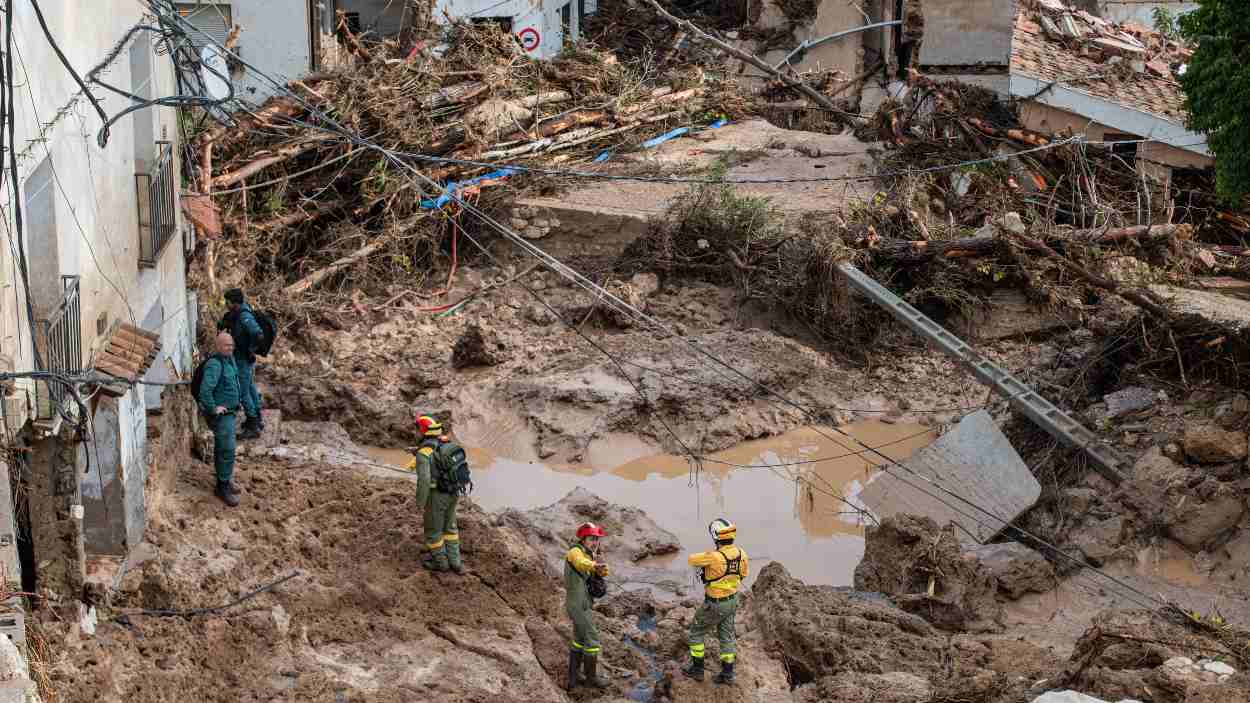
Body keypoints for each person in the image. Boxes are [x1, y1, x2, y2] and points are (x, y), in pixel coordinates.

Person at [682, 518, 748, 685]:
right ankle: (728, 674)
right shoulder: (742, 553)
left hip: (715, 603)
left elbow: (691, 560)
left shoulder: (713, 557)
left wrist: (710, 558)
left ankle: (697, 670)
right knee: (726, 636)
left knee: (696, 633)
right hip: (733, 600)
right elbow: (743, 575)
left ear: (715, 537)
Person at [409, 414, 468, 574]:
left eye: (416, 430)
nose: (415, 433)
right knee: (450, 527)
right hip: (453, 492)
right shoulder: (445, 443)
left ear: (423, 432)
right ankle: (456, 562)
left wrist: (420, 503)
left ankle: (441, 563)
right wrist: (418, 452)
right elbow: (436, 458)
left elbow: (424, 480)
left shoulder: (424, 453)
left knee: (433, 530)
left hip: (437, 496)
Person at [197, 332, 242, 507]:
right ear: (218, 346)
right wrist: (214, 408)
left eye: (231, 345)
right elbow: (205, 391)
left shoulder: (229, 360)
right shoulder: (214, 365)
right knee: (227, 449)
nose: (230, 348)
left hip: (230, 412)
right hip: (221, 416)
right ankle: (222, 487)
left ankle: (225, 479)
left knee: (224, 449)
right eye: (226, 345)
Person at [565, 522, 610, 690]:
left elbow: (604, 572)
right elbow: (579, 563)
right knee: (592, 640)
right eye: (592, 539)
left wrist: (600, 565)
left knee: (579, 639)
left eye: (597, 539)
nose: (595, 542)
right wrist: (593, 564)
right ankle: (591, 680)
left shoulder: (591, 554)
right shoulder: (575, 552)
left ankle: (574, 678)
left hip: (584, 603)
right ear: (583, 539)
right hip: (577, 604)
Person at [218, 288, 264, 440]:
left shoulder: (244, 316)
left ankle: (253, 424)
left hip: (243, 358)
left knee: (242, 392)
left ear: (234, 303)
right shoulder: (239, 313)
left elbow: (257, 334)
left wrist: (251, 350)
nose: (226, 304)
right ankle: (258, 419)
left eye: (228, 302)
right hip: (242, 358)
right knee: (250, 388)